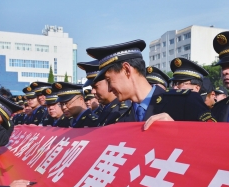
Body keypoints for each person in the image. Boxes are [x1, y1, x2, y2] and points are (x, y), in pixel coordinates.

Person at [86, 39, 215, 129]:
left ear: (126, 70)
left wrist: (178, 130)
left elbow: (216, 140)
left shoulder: (184, 101)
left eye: (109, 80)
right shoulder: (120, 118)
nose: (109, 88)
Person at [78, 60, 130, 126]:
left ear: (109, 82)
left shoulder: (120, 111)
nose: (92, 91)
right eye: (92, 88)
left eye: (95, 87)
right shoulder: (108, 108)